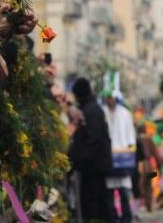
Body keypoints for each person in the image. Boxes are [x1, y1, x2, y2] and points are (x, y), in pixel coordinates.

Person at [68, 77, 113, 223]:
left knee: (93, 203)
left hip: (93, 166)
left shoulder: (90, 110)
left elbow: (91, 141)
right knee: (97, 201)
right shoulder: (92, 108)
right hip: (96, 164)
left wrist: (75, 159)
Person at [103, 90, 136, 223]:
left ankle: (126, 218)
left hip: (123, 157)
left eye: (112, 98)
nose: (110, 100)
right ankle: (112, 217)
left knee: (124, 190)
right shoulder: (103, 112)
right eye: (108, 98)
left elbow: (131, 135)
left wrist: (129, 150)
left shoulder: (125, 113)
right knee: (109, 190)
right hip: (109, 156)